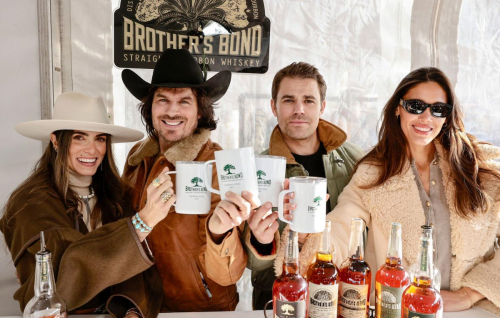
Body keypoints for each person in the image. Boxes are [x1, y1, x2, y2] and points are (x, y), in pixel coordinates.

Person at [284, 67, 500, 313]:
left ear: (447, 116)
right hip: (396, 309)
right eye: (416, 106)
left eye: (438, 109)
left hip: (475, 311)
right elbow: (343, 228)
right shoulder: (373, 174)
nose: (426, 117)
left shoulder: (479, 168)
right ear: (398, 107)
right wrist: (303, 237)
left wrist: (469, 294)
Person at [1, 92, 171, 317]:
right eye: (79, 137)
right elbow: (65, 279)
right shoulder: (31, 203)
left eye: (100, 138)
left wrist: (130, 309)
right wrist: (141, 224)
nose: (92, 150)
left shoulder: (117, 196)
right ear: (55, 141)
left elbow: (138, 272)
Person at [121, 48, 266, 312]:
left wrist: (219, 233)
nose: (172, 111)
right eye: (162, 100)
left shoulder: (217, 164)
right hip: (143, 306)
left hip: (199, 310)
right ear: (150, 107)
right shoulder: (136, 158)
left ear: (200, 111)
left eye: (184, 101)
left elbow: (228, 275)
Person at [243, 62, 365, 309]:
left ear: (322, 107)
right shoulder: (255, 170)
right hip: (278, 297)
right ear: (273, 107)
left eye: (308, 100)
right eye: (288, 100)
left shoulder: (356, 160)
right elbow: (251, 265)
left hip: (344, 296)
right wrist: (262, 241)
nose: (299, 109)